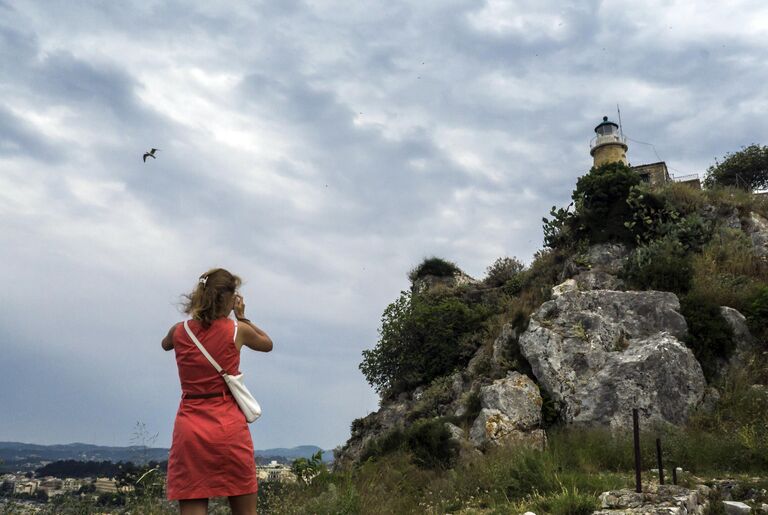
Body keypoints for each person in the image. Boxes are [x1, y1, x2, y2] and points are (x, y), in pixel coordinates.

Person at [161, 268, 273, 515]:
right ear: (230, 299)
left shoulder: (179, 331)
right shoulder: (237, 330)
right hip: (228, 428)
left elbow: (165, 344)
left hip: (190, 428)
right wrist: (242, 317)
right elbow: (267, 344)